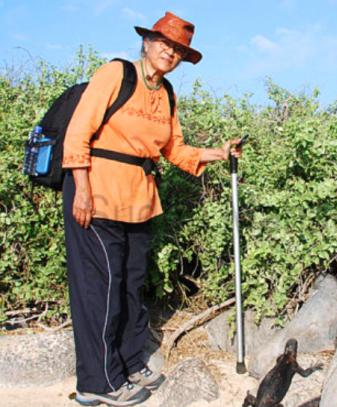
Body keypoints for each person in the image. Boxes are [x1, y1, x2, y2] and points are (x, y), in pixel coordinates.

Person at [62, 11, 242, 406]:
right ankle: (98, 382)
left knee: (129, 284)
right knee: (100, 291)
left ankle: (129, 363)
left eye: (178, 49)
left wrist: (218, 152)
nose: (170, 52)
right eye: (165, 43)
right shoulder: (116, 74)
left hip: (139, 203)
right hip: (96, 195)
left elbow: (174, 150)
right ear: (146, 42)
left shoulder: (167, 95)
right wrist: (81, 190)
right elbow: (78, 132)